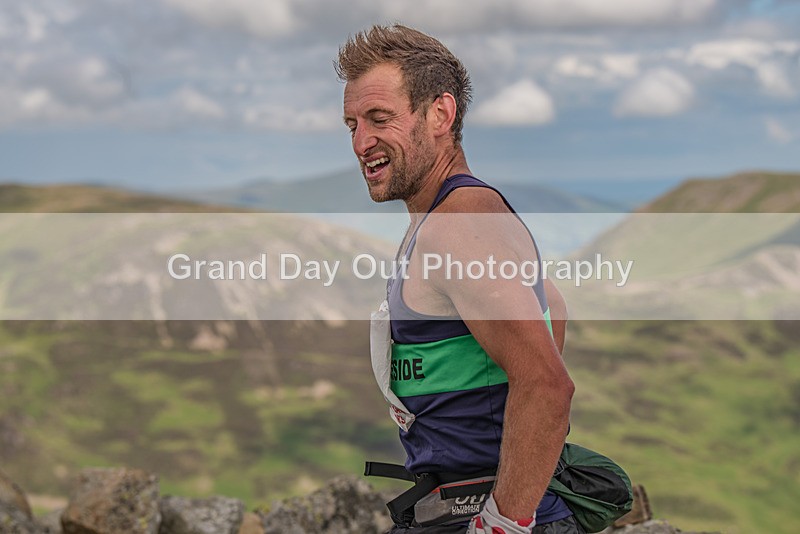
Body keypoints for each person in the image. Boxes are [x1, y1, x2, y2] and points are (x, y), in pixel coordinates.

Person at [336, 25, 578, 534]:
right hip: (456, 509)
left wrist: (502, 522)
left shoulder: (459, 223)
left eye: (380, 119)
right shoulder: (454, 215)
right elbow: (552, 309)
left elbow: (547, 384)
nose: (361, 142)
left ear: (440, 114)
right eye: (352, 124)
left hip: (484, 516)